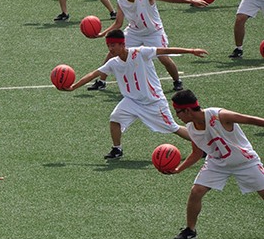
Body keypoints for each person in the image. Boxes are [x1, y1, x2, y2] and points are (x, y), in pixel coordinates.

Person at [64, 29, 207, 160]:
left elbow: (163, 50)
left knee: (173, 128)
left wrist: (191, 50)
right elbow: (93, 74)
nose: (110, 48)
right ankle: (117, 149)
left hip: (153, 101)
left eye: (114, 45)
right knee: (115, 119)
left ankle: (204, 145)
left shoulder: (140, 52)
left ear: (123, 44)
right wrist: (73, 87)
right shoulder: (113, 63)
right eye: (109, 46)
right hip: (131, 101)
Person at [167, 90, 264, 239]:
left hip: (245, 161)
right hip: (217, 163)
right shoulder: (192, 128)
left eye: (177, 112)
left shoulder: (218, 115)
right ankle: (190, 230)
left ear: (187, 110)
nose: (177, 116)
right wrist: (179, 169)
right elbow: (197, 153)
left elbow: (250, 120)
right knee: (196, 191)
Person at [89, 0, 208, 92]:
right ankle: (101, 81)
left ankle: (177, 80)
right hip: (134, 32)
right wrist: (102, 34)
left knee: (164, 58)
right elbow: (118, 23)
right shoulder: (121, 1)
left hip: (154, 32)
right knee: (112, 53)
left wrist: (191, 1)